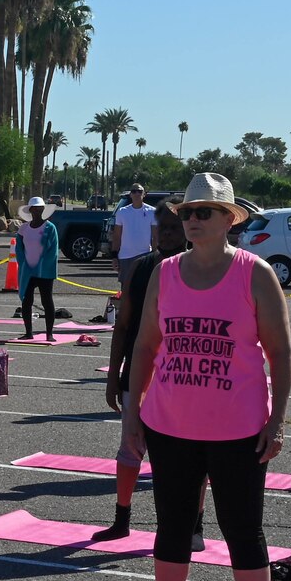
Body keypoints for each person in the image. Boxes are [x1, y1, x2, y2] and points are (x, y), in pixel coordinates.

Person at [121, 174, 291, 581]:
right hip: (169, 425)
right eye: (187, 212)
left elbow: (280, 354)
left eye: (204, 212)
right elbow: (146, 347)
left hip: (239, 430)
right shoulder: (165, 273)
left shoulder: (254, 274)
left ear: (228, 220)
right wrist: (133, 416)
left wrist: (277, 422)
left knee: (243, 531)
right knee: (172, 530)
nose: (192, 220)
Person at [100, 202, 189, 541]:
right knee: (130, 449)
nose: (167, 232)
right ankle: (122, 519)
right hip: (139, 375)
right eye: (162, 226)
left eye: (174, 227)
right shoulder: (140, 268)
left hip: (181, 379)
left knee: (184, 461)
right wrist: (113, 377)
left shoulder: (198, 271)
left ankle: (190, 528)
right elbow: (123, 326)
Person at [11, 197, 60, 341]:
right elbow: (19, 249)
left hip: (45, 271)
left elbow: (53, 251)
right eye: (35, 208)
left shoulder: (50, 228)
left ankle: (49, 333)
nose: (38, 211)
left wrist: (40, 265)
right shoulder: (24, 228)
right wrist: (24, 264)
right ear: (30, 210)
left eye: (40, 208)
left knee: (47, 301)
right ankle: (28, 332)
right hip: (28, 271)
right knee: (27, 301)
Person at [110, 182, 157, 295]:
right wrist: (114, 257)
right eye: (134, 191)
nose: (136, 194)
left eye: (139, 191)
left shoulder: (152, 212)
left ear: (144, 194)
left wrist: (155, 257)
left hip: (144, 255)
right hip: (125, 257)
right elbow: (117, 236)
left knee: (143, 289)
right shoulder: (122, 212)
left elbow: (155, 237)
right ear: (130, 194)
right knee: (126, 290)